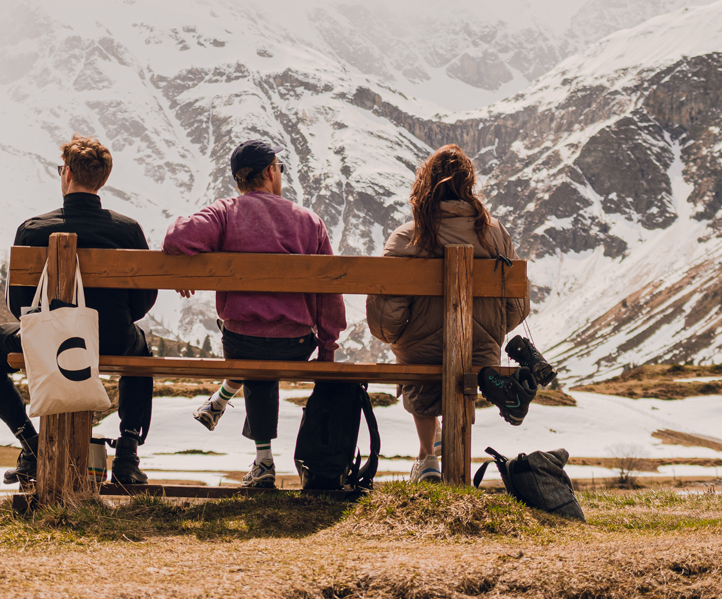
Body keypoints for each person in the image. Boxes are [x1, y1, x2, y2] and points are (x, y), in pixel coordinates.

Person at [0, 134, 156, 487]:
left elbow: (20, 306)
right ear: (103, 178)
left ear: (67, 174)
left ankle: (31, 444)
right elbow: (143, 304)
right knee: (141, 348)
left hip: (50, 342)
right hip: (112, 339)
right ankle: (127, 454)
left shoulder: (34, 229)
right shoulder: (128, 231)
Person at [164, 138, 344, 489]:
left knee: (253, 351)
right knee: (265, 353)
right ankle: (235, 422)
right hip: (296, 343)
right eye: (280, 167)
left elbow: (176, 237)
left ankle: (262, 460)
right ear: (269, 172)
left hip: (240, 343)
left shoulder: (225, 212)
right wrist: (328, 346)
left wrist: (182, 271)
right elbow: (330, 289)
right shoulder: (309, 221)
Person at [366, 145, 530, 482]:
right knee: (466, 365)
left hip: (422, 352)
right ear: (468, 185)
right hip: (479, 352)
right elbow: (517, 307)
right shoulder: (495, 234)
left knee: (417, 357)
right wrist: (491, 331)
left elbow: (386, 315)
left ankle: (428, 457)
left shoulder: (408, 236)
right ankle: (456, 462)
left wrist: (397, 338)